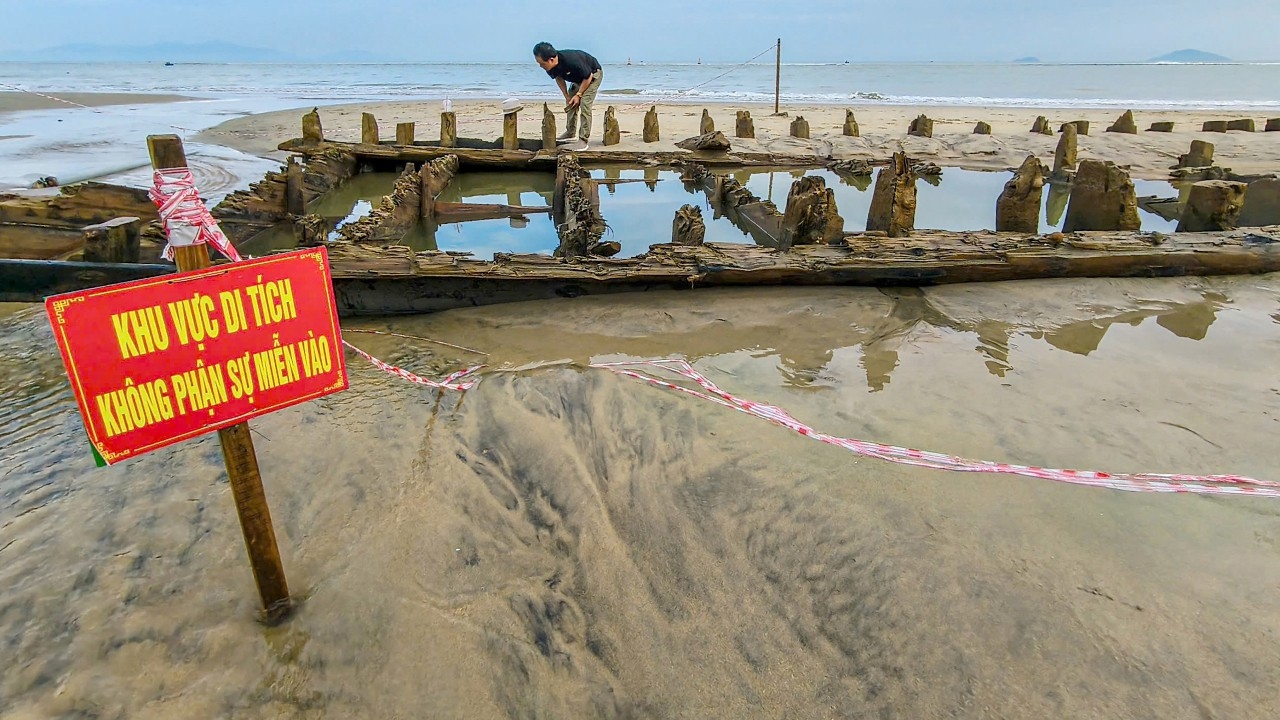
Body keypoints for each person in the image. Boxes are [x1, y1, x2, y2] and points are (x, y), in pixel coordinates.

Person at [533, 42, 603, 147]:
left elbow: (588, 76)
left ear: (551, 60)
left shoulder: (572, 61)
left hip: (593, 75)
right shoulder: (550, 67)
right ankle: (570, 132)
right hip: (578, 79)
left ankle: (583, 139)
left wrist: (579, 95)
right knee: (571, 102)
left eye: (542, 64)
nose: (541, 66)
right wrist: (567, 96)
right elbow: (559, 78)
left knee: (585, 104)